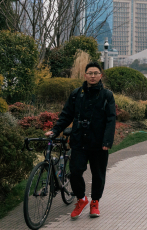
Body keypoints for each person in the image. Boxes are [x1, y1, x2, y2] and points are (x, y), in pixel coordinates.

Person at [45, 62, 116, 219]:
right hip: (79, 141)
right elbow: (66, 115)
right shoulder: (77, 94)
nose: (92, 76)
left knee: (98, 174)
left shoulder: (107, 96)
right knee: (75, 171)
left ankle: (95, 202)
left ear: (100, 75)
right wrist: (56, 130)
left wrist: (107, 142)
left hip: (99, 144)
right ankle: (82, 199)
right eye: (89, 73)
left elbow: (111, 120)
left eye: (95, 73)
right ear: (85, 75)